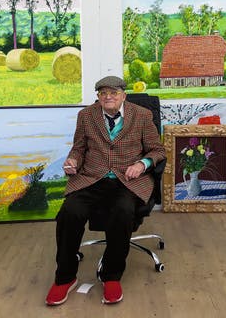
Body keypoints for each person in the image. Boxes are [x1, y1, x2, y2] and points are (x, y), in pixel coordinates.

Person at [45, 75, 165, 306]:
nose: (108, 97)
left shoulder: (142, 115)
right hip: (91, 178)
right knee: (70, 213)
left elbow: (157, 150)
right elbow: (79, 148)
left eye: (114, 93)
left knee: (122, 212)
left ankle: (111, 276)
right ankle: (64, 278)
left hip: (128, 180)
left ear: (123, 96)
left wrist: (142, 164)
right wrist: (73, 161)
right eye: (103, 93)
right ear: (98, 96)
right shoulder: (86, 116)